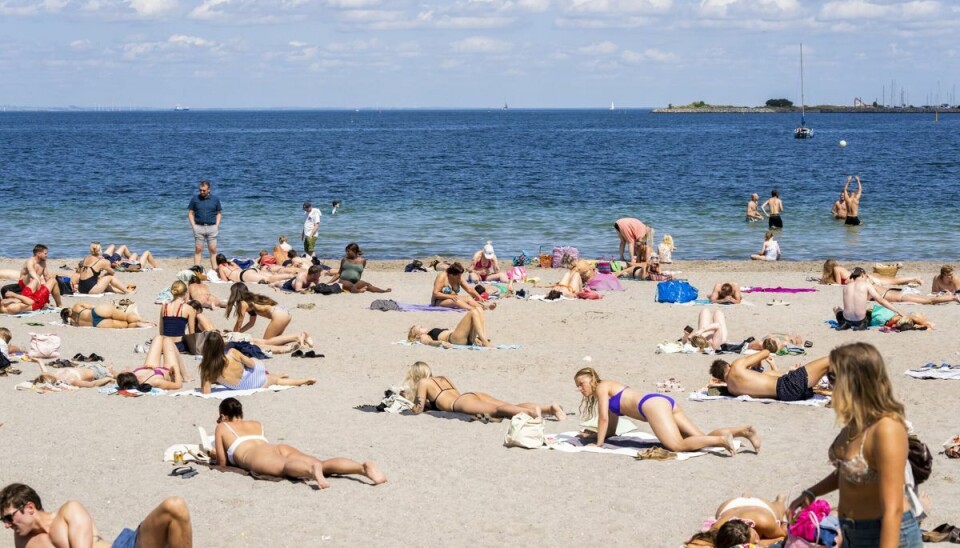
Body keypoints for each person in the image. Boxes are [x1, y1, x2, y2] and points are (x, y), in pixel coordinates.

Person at [788, 342, 923, 546]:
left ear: (855, 382)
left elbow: (893, 510)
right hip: (852, 533)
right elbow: (851, 471)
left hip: (886, 535)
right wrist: (812, 492)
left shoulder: (886, 429)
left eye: (832, 377)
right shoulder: (856, 423)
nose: (828, 384)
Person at [573, 367, 759, 455]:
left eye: (582, 384)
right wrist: (595, 436)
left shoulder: (601, 387)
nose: (581, 389)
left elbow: (603, 418)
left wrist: (597, 445)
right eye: (578, 386)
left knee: (676, 445)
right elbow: (610, 429)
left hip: (651, 407)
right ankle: (741, 432)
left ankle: (721, 439)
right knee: (698, 439)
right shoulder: (609, 389)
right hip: (661, 402)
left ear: (592, 379)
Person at [212, 398, 385, 488]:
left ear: (224, 415)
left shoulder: (223, 427)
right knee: (321, 463)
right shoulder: (256, 423)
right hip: (276, 448)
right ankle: (362, 468)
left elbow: (222, 462)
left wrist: (212, 451)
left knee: (285, 467)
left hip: (256, 456)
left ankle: (311, 471)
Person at [0, 483, 192, 548]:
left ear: (30, 507)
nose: (7, 525)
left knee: (175, 507)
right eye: (3, 520)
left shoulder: (69, 511)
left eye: (9, 518)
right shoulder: (23, 540)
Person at [404, 361, 565, 420]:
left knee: (498, 410)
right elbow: (444, 397)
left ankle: (530, 414)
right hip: (471, 395)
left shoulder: (424, 382)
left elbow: (417, 410)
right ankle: (549, 408)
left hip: (459, 403)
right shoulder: (442, 378)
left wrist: (409, 403)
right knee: (508, 405)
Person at [199, 332, 315, 393]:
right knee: (275, 380)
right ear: (221, 345)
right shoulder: (232, 352)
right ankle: (303, 380)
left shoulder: (206, 368)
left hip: (240, 387)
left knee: (269, 377)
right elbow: (252, 364)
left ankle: (276, 376)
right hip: (253, 381)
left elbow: (206, 392)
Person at [710, 350, 829, 402]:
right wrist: (755, 363)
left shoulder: (732, 390)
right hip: (788, 384)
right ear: (728, 364)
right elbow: (765, 352)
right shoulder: (736, 365)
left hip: (787, 396)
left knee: (827, 368)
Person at [687, 494, 788, 547]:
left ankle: (780, 500)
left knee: (778, 511)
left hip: (760, 507)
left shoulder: (764, 522)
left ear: (750, 526)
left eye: (756, 536)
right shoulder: (719, 530)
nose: (757, 540)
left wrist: (761, 544)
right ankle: (745, 495)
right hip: (731, 505)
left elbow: (783, 536)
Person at [834, 267, 907, 330]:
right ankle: (861, 325)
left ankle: (846, 324)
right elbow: (880, 300)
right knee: (870, 312)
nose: (866, 279)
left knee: (836, 308)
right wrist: (897, 311)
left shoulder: (846, 287)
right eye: (866, 277)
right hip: (860, 321)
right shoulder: (866, 285)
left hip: (845, 320)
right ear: (862, 275)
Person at [226, 283, 299, 338]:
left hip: (279, 314)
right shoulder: (252, 301)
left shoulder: (243, 303)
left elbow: (239, 322)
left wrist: (233, 335)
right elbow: (251, 323)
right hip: (285, 312)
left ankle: (297, 336)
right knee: (276, 341)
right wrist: (238, 332)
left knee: (266, 343)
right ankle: (298, 339)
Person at [118, 335, 187, 389]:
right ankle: (185, 376)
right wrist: (176, 368)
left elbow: (119, 375)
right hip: (169, 371)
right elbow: (178, 385)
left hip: (149, 367)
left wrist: (141, 367)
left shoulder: (129, 376)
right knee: (168, 341)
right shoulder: (154, 381)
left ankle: (186, 375)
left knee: (157, 337)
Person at [407, 308, 493, 348]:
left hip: (462, 337)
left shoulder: (429, 332)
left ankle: (482, 339)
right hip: (454, 339)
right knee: (473, 312)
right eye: (420, 328)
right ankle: (485, 341)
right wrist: (441, 343)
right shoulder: (423, 336)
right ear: (417, 335)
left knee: (479, 309)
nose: (423, 326)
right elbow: (429, 342)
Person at [188, 179, 222, 270]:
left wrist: (217, 225)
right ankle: (197, 269)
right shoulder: (195, 199)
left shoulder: (215, 199)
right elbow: (191, 213)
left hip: (212, 227)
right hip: (199, 227)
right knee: (198, 249)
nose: (201, 192)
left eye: (204, 190)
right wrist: (193, 226)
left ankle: (215, 269)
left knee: (213, 249)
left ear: (209, 189)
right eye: (200, 190)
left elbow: (219, 213)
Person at [17, 244, 61, 309]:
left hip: (37, 284)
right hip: (25, 285)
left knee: (52, 280)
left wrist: (50, 288)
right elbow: (31, 272)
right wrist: (38, 282)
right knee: (34, 276)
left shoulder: (43, 262)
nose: (47, 255)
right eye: (45, 253)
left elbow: (46, 276)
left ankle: (59, 305)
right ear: (39, 253)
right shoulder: (30, 261)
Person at [820, 259, 922, 287]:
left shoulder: (837, 269)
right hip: (864, 276)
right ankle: (912, 279)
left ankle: (914, 278)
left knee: (891, 281)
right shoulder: (838, 268)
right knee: (891, 281)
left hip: (864, 278)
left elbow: (838, 284)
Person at [60, 302, 153, 329]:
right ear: (69, 309)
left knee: (126, 325)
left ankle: (139, 325)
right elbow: (92, 305)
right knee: (126, 316)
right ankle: (143, 320)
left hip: (98, 323)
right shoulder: (76, 306)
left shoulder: (75, 323)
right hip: (97, 312)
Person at [32, 360, 116, 389]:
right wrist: (107, 379)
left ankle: (108, 368)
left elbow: (45, 373)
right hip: (99, 372)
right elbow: (91, 384)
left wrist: (39, 361)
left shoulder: (56, 375)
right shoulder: (70, 380)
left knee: (109, 367)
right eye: (47, 374)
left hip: (87, 367)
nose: (47, 372)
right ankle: (109, 370)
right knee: (116, 373)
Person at [214, 254, 291, 285]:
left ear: (218, 262)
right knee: (273, 275)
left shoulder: (221, 267)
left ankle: (291, 275)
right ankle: (290, 275)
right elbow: (240, 268)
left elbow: (225, 281)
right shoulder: (231, 262)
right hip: (249, 270)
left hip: (244, 276)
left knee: (269, 279)